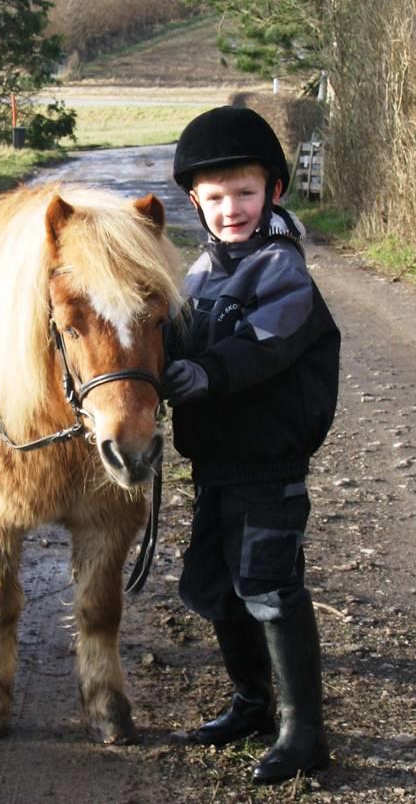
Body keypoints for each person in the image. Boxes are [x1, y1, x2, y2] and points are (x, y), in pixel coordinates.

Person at [162, 106, 340, 784]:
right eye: (216, 197)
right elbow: (172, 338)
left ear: (273, 191)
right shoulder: (199, 273)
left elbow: (265, 344)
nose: (231, 208)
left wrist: (207, 371)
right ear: (195, 201)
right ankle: (252, 699)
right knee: (219, 587)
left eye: (244, 193)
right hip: (216, 464)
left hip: (269, 465)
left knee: (270, 586)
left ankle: (304, 730)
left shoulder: (281, 269)